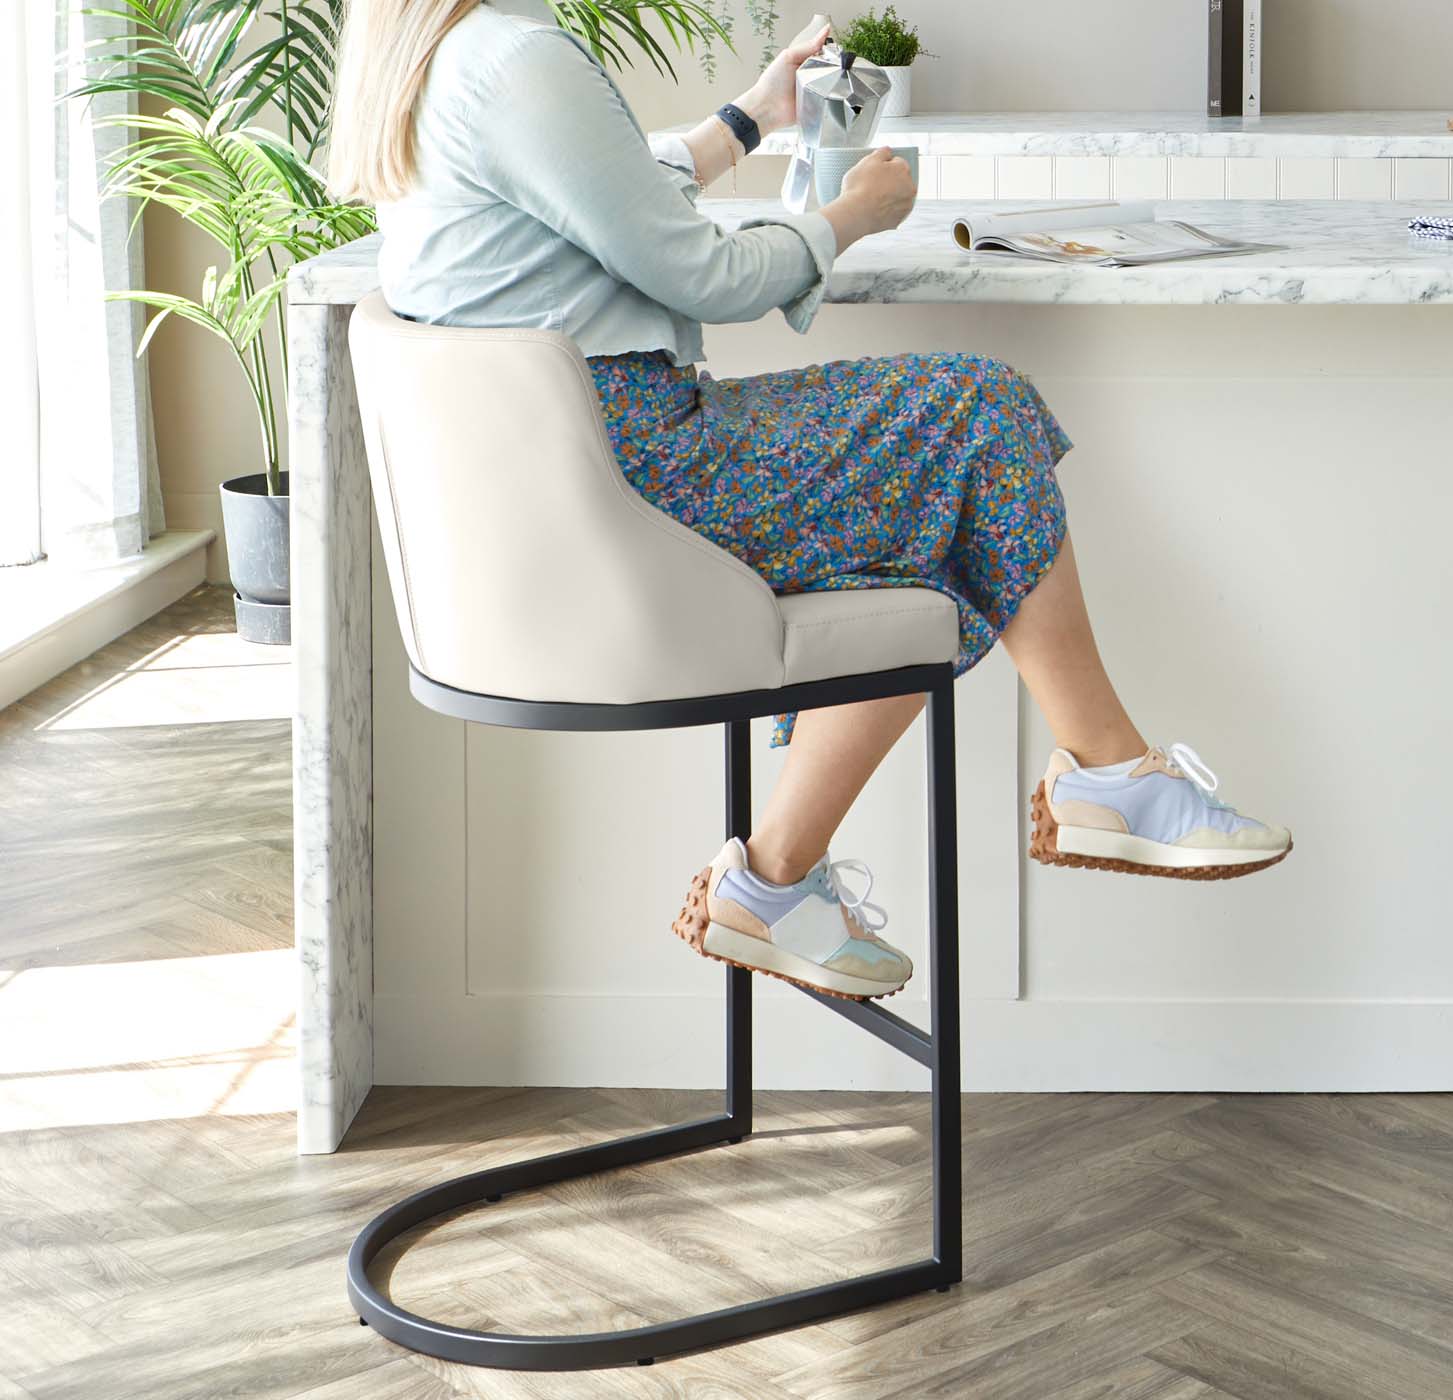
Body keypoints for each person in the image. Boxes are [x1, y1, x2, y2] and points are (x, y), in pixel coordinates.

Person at [329, 0, 1292, 1001]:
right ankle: (1108, 778)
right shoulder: (518, 59)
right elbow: (702, 273)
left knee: (928, 502)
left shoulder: (436, 60)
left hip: (569, 500)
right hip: (645, 475)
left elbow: (604, 195)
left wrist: (751, 116)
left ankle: (777, 880)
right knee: (979, 412)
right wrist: (849, 217)